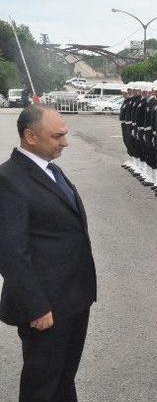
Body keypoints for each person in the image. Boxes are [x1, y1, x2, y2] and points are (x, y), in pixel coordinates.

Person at [0, 105, 97, 402]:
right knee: (42, 384)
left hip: (72, 298)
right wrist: (37, 307)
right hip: (46, 307)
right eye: (57, 136)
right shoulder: (10, 179)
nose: (65, 143)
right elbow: (11, 252)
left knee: (64, 376)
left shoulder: (48, 167)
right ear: (30, 136)